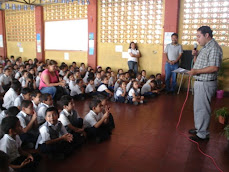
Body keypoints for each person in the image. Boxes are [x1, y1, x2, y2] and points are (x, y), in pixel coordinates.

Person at [187, 26, 222, 142]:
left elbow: (214, 67)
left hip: (206, 83)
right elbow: (198, 64)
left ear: (206, 35)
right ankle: (199, 128)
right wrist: (195, 55)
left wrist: (196, 71)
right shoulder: (205, 48)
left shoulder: (214, 48)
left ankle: (202, 134)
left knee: (203, 109)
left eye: (199, 36)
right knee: (198, 108)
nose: (197, 39)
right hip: (200, 82)